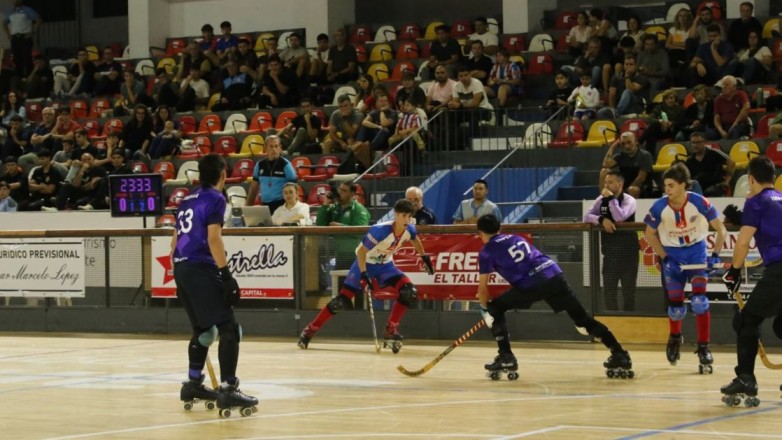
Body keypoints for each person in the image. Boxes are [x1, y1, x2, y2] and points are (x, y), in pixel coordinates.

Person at [476, 214, 633, 378]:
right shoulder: (516, 238)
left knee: (495, 308)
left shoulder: (486, 252)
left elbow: (482, 289)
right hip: (554, 275)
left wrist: (485, 309)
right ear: (499, 228)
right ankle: (619, 353)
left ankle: (506, 357)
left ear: (480, 233)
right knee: (582, 319)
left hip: (531, 284)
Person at [171, 154, 258, 413]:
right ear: (223, 175)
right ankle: (229, 389)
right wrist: (226, 275)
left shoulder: (186, 200)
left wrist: (180, 272)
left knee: (204, 332)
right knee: (229, 328)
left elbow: (175, 241)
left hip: (181, 267)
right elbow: (213, 239)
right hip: (201, 267)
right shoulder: (217, 198)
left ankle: (193, 384)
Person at [299, 199, 435, 351]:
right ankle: (310, 330)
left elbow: (415, 240)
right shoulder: (380, 231)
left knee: (409, 291)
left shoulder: (410, 229)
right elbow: (362, 252)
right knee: (341, 301)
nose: (407, 220)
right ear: (396, 215)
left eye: (409, 216)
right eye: (404, 216)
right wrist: (364, 273)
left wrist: (424, 257)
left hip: (385, 265)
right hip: (365, 262)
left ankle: (391, 330)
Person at [643, 163, 726, 371]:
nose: (667, 189)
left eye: (671, 185)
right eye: (665, 185)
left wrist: (715, 254)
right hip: (673, 255)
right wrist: (664, 257)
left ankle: (704, 347)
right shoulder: (659, 207)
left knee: (700, 302)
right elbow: (648, 234)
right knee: (676, 308)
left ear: (683, 185)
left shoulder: (699, 202)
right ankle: (674, 338)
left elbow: (721, 229)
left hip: (696, 252)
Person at [720, 156, 782, 404]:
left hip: (779, 269)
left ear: (751, 179)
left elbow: (743, 242)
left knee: (746, 321)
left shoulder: (755, 203)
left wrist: (734, 272)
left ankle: (745, 378)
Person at [584, 171, 639, 311]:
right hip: (610, 255)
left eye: (610, 182)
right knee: (609, 293)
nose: (606, 185)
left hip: (629, 255)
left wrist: (610, 199)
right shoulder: (600, 199)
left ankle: (629, 320)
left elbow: (620, 217)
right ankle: (611, 321)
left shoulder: (629, 200)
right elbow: (587, 217)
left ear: (619, 184)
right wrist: (601, 219)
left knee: (629, 294)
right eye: (605, 182)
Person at [245, 135, 296, 213]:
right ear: (266, 148)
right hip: (265, 206)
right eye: (271, 146)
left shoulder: (286, 165)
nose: (274, 149)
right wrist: (247, 209)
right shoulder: (259, 165)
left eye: (276, 146)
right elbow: (253, 190)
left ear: (280, 148)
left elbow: (294, 190)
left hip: (282, 206)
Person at [600, 131, 653, 199]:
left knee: (632, 189)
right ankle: (604, 199)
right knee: (604, 171)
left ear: (636, 142)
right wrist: (612, 147)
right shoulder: (621, 155)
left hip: (641, 187)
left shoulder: (645, 155)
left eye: (629, 142)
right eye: (623, 144)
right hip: (623, 186)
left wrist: (625, 192)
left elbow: (641, 178)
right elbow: (606, 164)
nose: (626, 146)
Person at [684, 131, 735, 197]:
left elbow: (731, 161)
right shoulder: (690, 160)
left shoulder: (714, 152)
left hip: (715, 185)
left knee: (709, 192)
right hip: (698, 187)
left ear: (704, 142)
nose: (695, 145)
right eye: (693, 143)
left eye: (698, 142)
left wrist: (727, 180)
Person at [2, 0, 40, 78]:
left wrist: (33, 32)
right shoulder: (10, 12)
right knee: (16, 59)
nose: (15, 1)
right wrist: (8, 35)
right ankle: (19, 78)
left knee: (27, 58)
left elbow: (38, 20)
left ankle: (29, 77)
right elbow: (4, 23)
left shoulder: (27, 10)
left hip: (25, 37)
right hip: (15, 38)